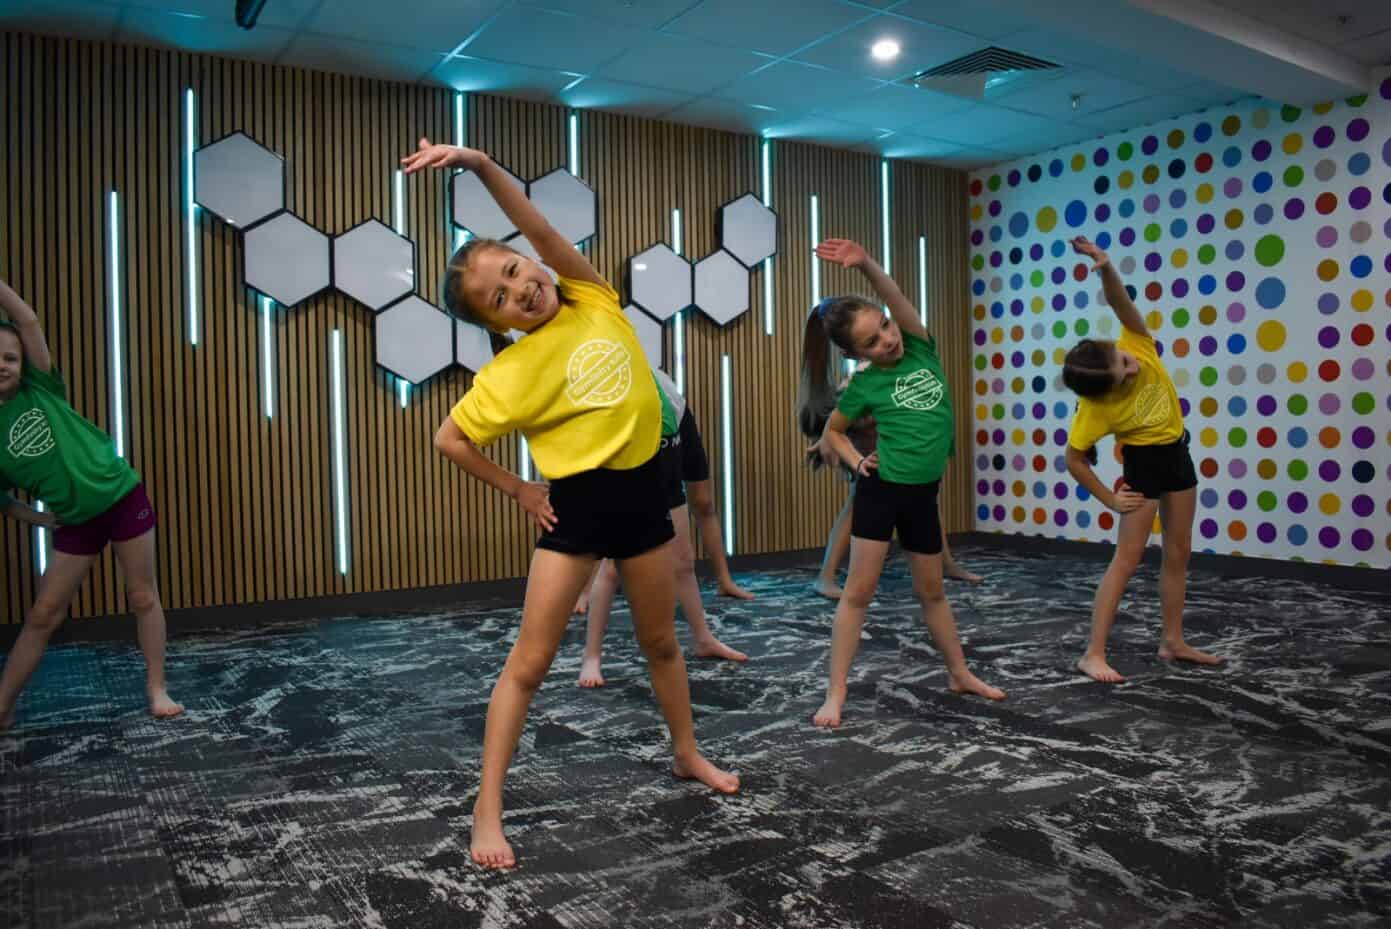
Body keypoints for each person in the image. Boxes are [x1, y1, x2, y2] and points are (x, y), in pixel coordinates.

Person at [402, 138, 737, 869]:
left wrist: (481, 164)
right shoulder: (512, 370)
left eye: (515, 268)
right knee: (529, 661)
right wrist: (520, 488)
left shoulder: (589, 295)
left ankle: (686, 752)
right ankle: (486, 807)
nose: (519, 286)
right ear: (497, 323)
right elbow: (448, 438)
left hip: (645, 495)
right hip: (577, 511)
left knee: (660, 643)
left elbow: (546, 229)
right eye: (498, 295)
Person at [801, 239, 1005, 729]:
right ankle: (836, 692)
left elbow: (895, 296)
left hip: (922, 495)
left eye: (885, 327)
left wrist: (867, 262)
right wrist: (854, 461)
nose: (887, 340)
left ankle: (959, 673)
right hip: (883, 491)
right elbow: (833, 431)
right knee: (858, 594)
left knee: (932, 592)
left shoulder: (919, 347)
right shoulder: (867, 384)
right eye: (872, 342)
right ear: (854, 355)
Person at [0, 279, 182, 729]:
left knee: (142, 595)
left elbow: (27, 318)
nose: (2, 365)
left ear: (23, 363)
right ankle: (2, 706)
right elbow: (1, 501)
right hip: (77, 521)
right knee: (44, 613)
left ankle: (157, 689)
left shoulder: (42, 388)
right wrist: (42, 519)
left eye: (8, 357)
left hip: (120, 496)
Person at [1061, 236, 1222, 683]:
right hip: (1143, 469)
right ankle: (1092, 652)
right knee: (1128, 559)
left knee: (1179, 551)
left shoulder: (1139, 345)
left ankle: (1173, 640)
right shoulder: (1096, 410)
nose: (1132, 366)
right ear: (1107, 391)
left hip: (1178, 457)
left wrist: (1105, 265)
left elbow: (1118, 301)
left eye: (1123, 360)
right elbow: (1074, 460)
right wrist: (1109, 501)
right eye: (1123, 374)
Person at [578, 368, 746, 688]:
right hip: (627, 467)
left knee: (683, 560)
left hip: (665, 456)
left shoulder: (654, 379)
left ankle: (703, 638)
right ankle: (592, 657)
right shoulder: (602, 377)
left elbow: (675, 420)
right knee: (613, 568)